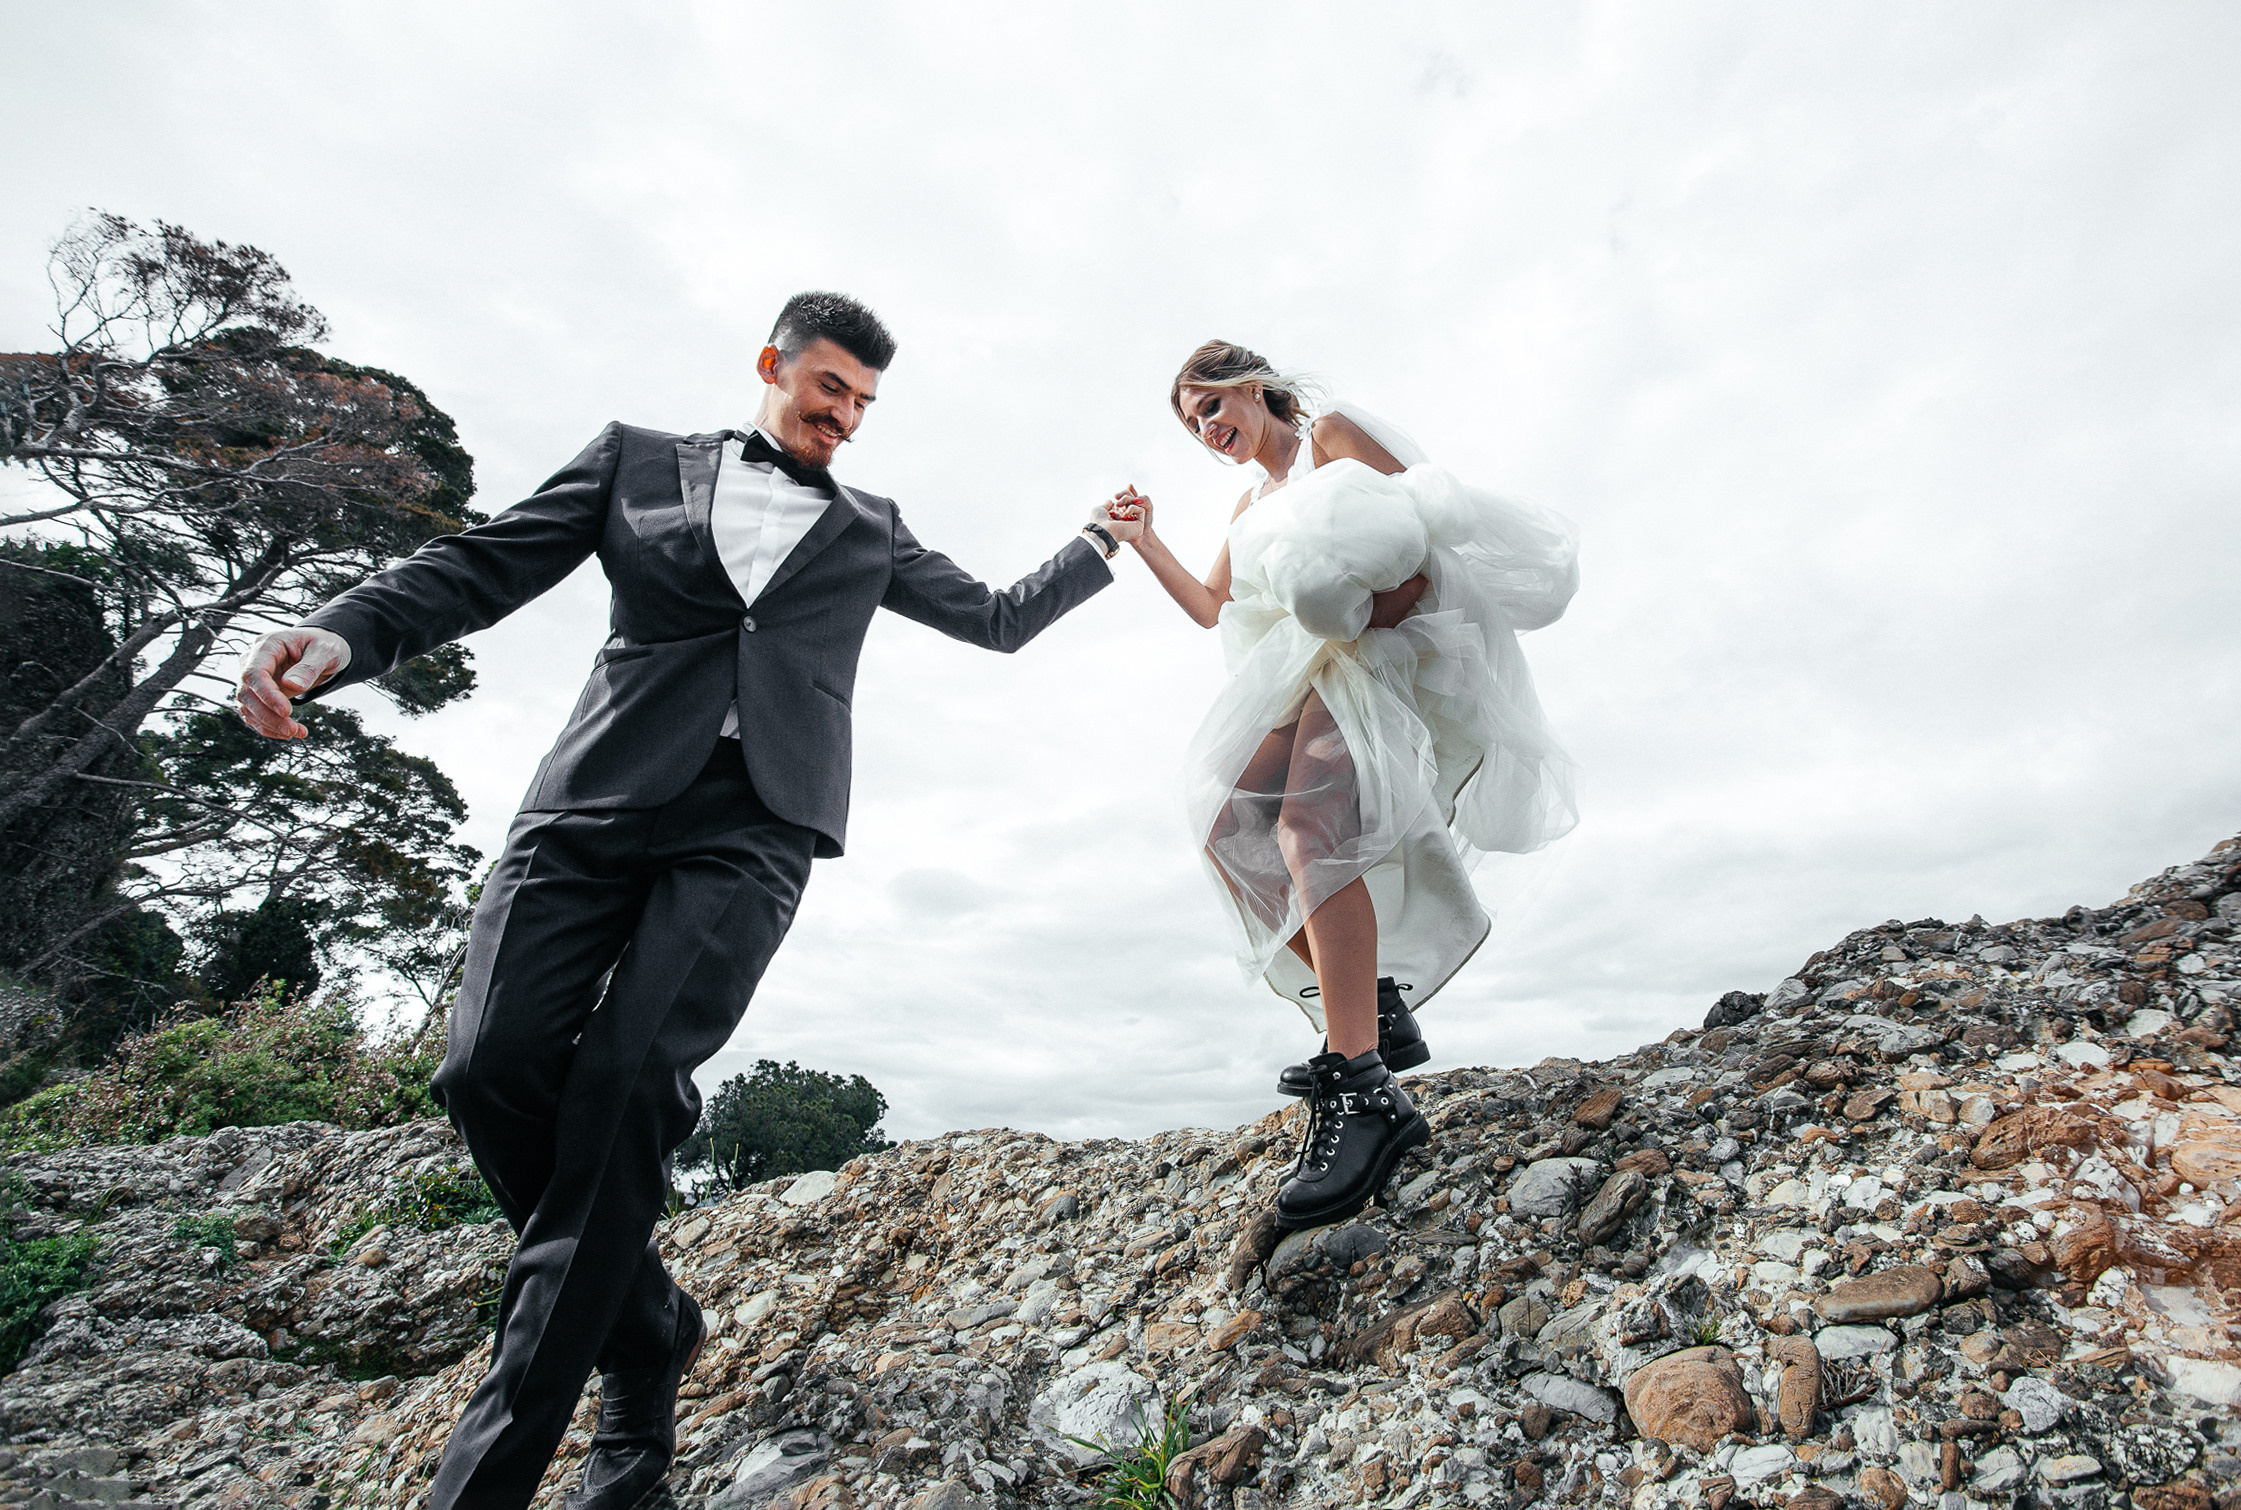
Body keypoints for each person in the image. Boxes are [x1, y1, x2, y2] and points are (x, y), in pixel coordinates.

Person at [234, 293, 1144, 1510]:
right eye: (829, 390)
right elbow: (481, 564)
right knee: (485, 1067)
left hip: (755, 826)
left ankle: (519, 1470)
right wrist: (341, 635)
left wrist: (1097, 543)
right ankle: (650, 1320)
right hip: (594, 800)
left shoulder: (870, 527)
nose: (846, 418)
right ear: (772, 364)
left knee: (619, 1090)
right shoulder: (633, 460)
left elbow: (993, 619)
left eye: (866, 404)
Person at [1113, 339, 1579, 1231]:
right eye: (1190, 424)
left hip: (1379, 649)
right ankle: (1373, 1009)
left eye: (1210, 406)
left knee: (1307, 833)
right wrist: (1142, 541)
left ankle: (1361, 1083)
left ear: (1251, 387)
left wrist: (1368, 616)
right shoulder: (1249, 502)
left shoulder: (1329, 435)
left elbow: (1425, 535)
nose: (1207, 430)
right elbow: (1215, 609)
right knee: (1229, 835)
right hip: (1305, 662)